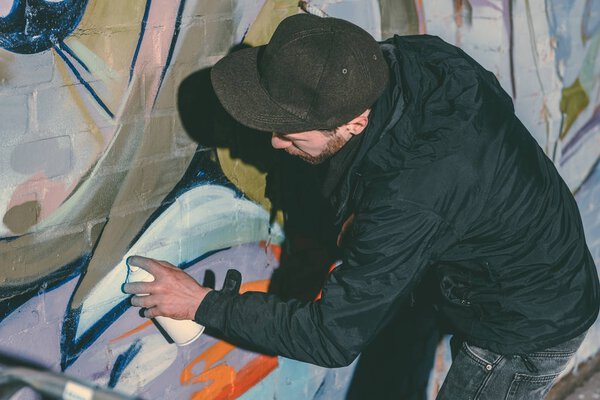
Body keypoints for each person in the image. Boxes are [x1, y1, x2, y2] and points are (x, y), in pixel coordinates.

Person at [123, 13, 600, 399]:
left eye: (291, 134)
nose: (274, 142)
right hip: (502, 270)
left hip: (527, 327)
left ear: (355, 122)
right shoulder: (409, 63)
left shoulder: (410, 195)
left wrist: (201, 304)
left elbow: (333, 339)